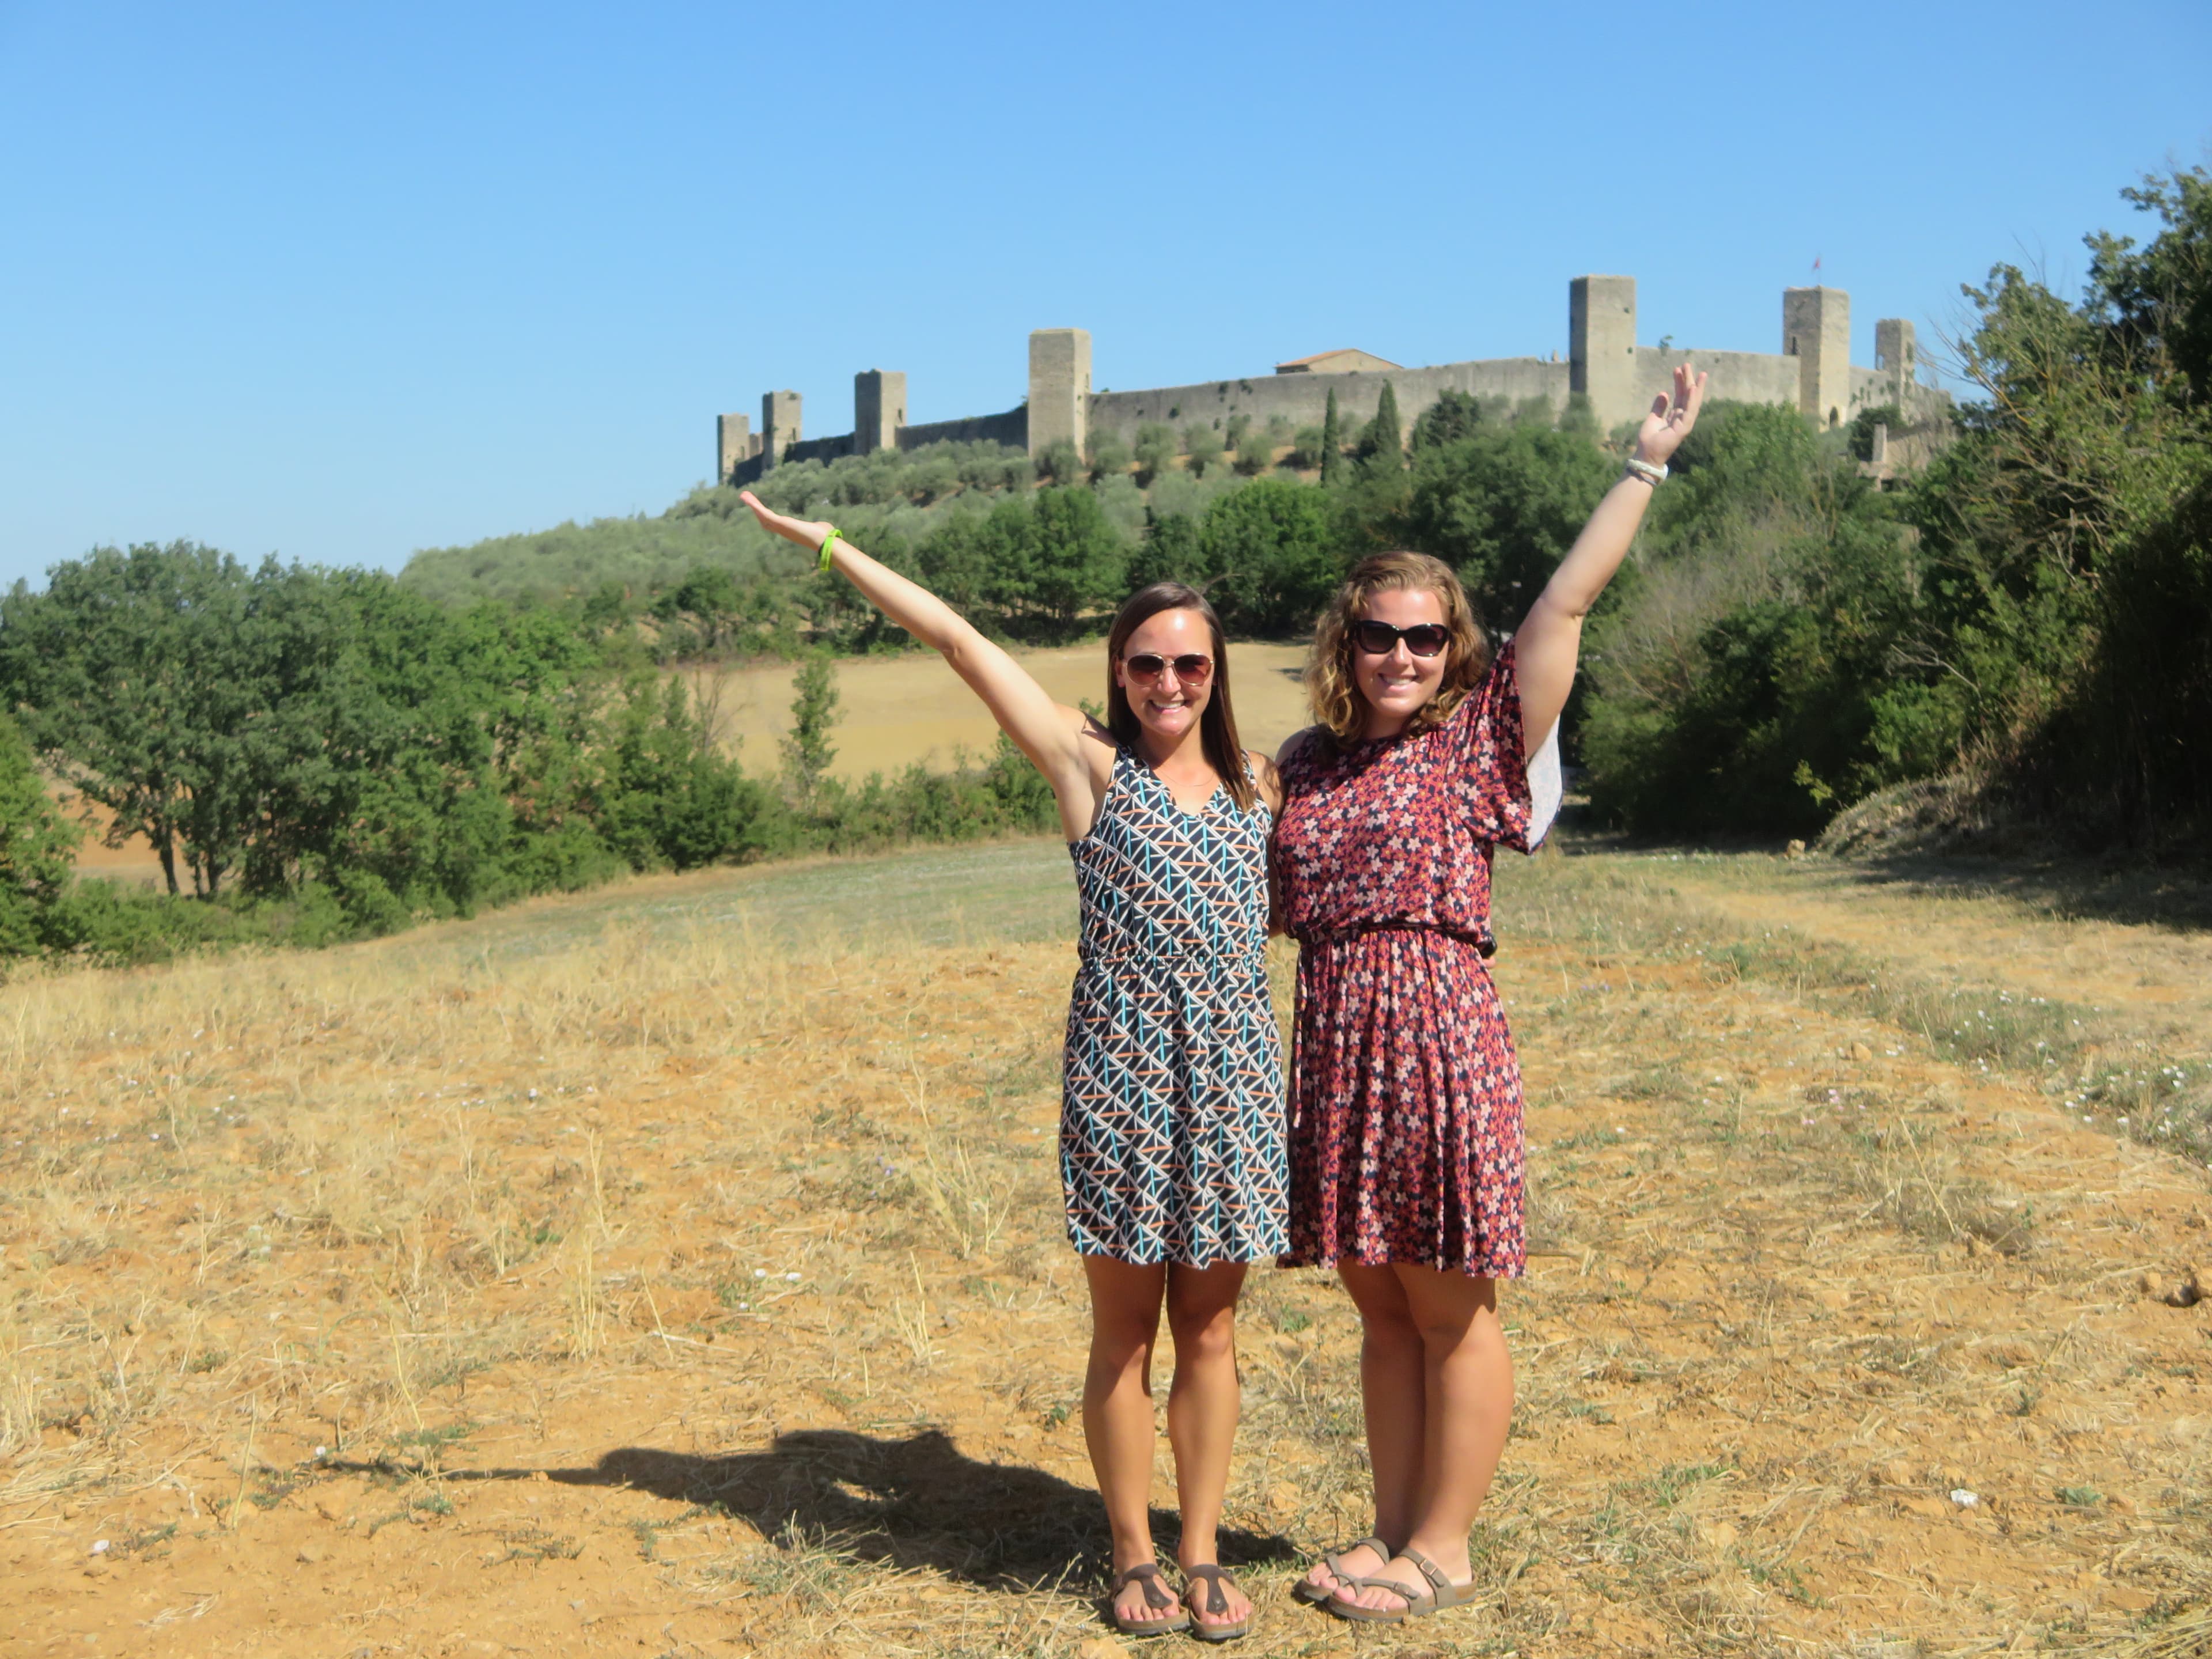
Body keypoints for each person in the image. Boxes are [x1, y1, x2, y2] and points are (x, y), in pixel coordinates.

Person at [737, 491, 1285, 1641]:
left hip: (1234, 1082)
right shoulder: (1085, 765)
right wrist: (829, 544)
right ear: (1119, 670)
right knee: (1127, 1336)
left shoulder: (1262, 789)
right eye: (1147, 663)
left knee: (1218, 1335)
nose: (1169, 682)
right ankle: (1132, 1553)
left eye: (1190, 663)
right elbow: (953, 636)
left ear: (1218, 671)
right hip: (1123, 1078)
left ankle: (1202, 1553)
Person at [1273, 366, 1707, 1625]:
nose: (1402, 654)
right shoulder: (1307, 761)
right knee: (1380, 1304)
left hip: (1436, 1037)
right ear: (1344, 646)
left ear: (1453, 650)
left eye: (1425, 636)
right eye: (1378, 634)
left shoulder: (1476, 742)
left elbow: (1567, 603)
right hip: (1336, 1039)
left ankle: (1446, 1551)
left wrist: (1644, 462)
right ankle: (1395, 1532)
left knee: (1451, 1305)